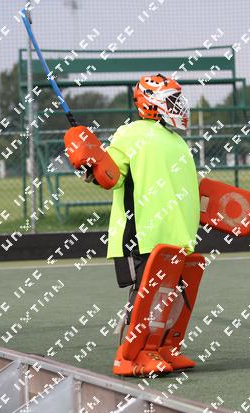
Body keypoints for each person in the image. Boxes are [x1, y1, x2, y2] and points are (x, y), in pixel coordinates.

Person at [64, 74, 200, 376]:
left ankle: (162, 348)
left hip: (174, 237)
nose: (179, 105)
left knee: (172, 297)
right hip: (142, 234)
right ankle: (130, 356)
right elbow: (111, 177)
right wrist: (90, 161)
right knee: (146, 297)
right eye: (172, 99)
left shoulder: (175, 140)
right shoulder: (130, 134)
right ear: (151, 103)